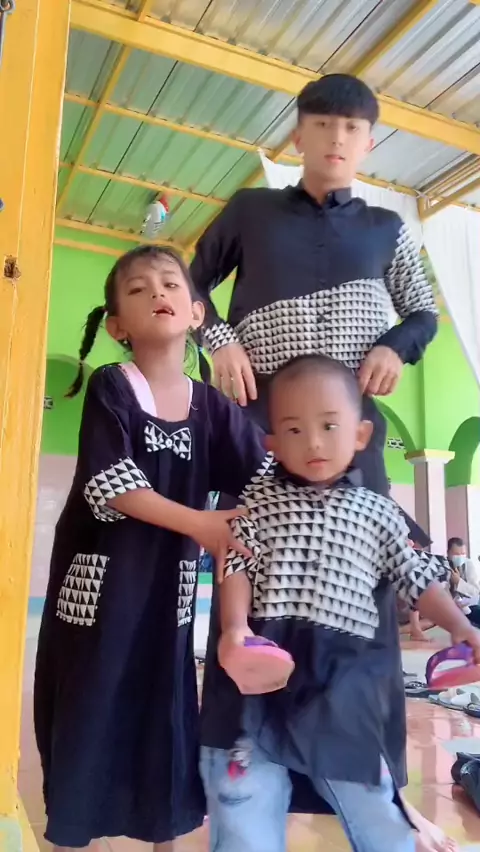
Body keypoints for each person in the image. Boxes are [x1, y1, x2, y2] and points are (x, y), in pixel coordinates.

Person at [192, 73, 444, 850]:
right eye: (323, 124)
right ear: (298, 134)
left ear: (369, 143)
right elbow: (191, 284)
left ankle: (370, 782)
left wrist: (395, 346)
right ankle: (245, 766)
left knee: (364, 599)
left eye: (353, 128)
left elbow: (425, 311)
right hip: (261, 435)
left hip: (350, 447)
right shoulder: (250, 210)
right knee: (249, 579)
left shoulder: (388, 227)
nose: (337, 139)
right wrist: (219, 340)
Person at [33, 246, 271, 850]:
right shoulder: (112, 387)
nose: (157, 293)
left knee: (165, 712)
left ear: (195, 313)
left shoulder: (213, 409)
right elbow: (112, 484)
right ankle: (71, 836)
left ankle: (165, 835)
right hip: (99, 598)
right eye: (138, 289)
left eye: (170, 284)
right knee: (91, 708)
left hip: (169, 598)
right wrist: (202, 523)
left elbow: (265, 479)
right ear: (118, 326)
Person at [203, 354, 477, 852]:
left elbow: (416, 577)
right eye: (294, 429)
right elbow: (238, 564)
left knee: (377, 812)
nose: (313, 442)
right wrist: (235, 628)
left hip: (345, 686)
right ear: (272, 442)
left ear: (360, 435)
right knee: (244, 803)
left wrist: (462, 627)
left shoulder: (379, 512)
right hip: (263, 677)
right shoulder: (256, 504)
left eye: (329, 426)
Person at [447, 536, 480, 627]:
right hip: (450, 608)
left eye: (463, 554)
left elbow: (475, 591)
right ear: (448, 553)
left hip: (469, 606)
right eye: (456, 554)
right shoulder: (443, 566)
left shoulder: (468, 564)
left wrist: (458, 582)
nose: (460, 557)